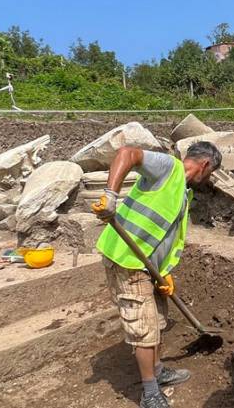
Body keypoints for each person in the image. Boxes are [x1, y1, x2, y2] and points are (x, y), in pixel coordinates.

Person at [92, 141, 222, 408]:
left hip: (151, 269)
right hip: (128, 261)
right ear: (206, 165)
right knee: (144, 329)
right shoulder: (168, 168)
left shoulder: (183, 192)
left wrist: (164, 273)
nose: (206, 180)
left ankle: (159, 371)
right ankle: (150, 392)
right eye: (209, 174)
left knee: (159, 322)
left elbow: (166, 236)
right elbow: (127, 153)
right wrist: (110, 195)